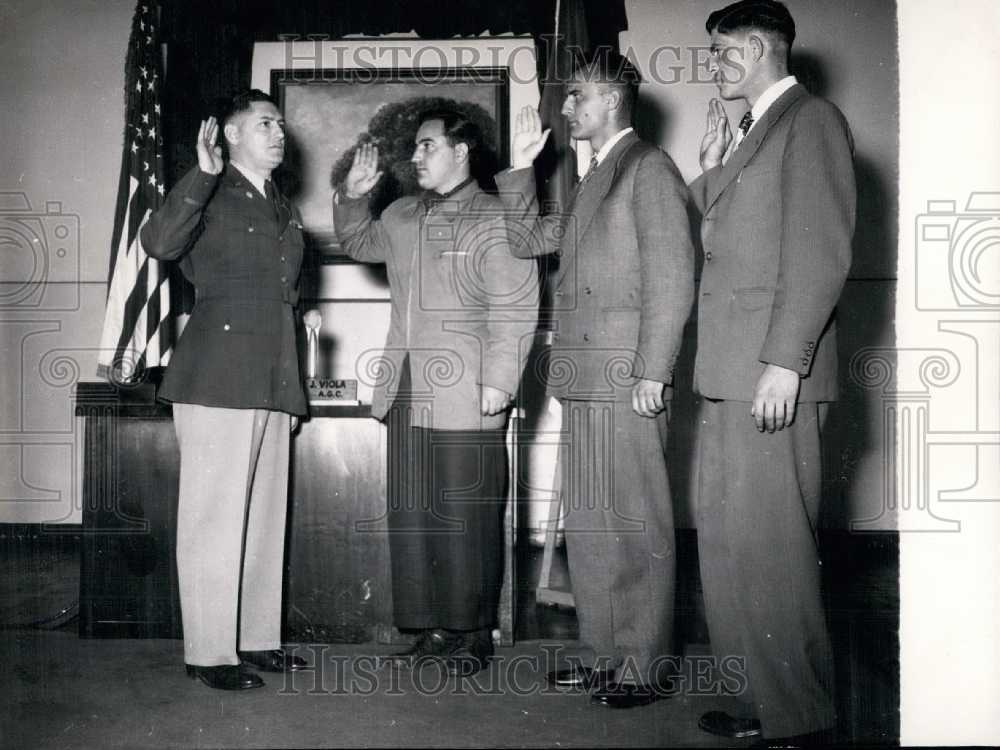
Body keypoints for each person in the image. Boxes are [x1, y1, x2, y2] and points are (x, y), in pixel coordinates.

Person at [498, 50, 695, 708]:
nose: (566, 107)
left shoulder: (648, 170)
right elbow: (527, 241)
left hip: (627, 376)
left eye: (576, 95)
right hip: (583, 378)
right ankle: (603, 654)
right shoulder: (594, 177)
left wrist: (654, 370)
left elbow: (672, 280)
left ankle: (642, 666)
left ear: (610, 100)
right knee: (590, 524)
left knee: (636, 523)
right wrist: (523, 167)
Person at [689, 0, 856, 743]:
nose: (714, 68)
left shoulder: (810, 122)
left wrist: (786, 363)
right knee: (728, 544)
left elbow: (821, 255)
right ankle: (760, 701)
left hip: (769, 372)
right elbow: (731, 240)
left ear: (756, 49)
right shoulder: (750, 136)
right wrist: (710, 172)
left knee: (776, 548)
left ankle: (803, 716)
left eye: (721, 53)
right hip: (727, 372)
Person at [333, 108, 539, 675]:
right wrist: (352, 197)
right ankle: (432, 627)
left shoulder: (497, 218)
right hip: (405, 386)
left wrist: (501, 379)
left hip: (466, 390)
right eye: (416, 149)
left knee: (465, 516)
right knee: (415, 516)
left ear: (461, 150)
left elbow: (516, 305)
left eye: (427, 147)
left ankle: (474, 632)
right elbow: (355, 241)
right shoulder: (399, 214)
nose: (416, 157)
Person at [142, 89, 309, 690]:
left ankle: (256, 639)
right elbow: (159, 243)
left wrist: (291, 390)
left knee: (264, 519)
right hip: (215, 376)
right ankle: (211, 651)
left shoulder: (282, 206)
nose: (278, 132)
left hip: (270, 378)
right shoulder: (210, 188)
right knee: (214, 519)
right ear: (232, 135)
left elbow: (286, 303)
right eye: (265, 123)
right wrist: (200, 174)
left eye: (280, 125)